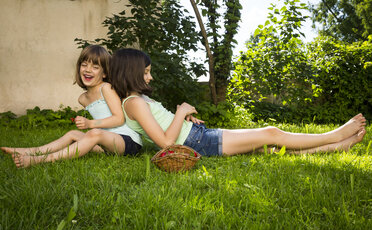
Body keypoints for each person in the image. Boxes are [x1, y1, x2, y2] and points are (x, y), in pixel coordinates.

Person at [109, 48, 366, 157]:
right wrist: (182, 111)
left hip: (196, 136)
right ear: (130, 72)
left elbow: (163, 129)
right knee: (271, 133)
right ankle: (335, 135)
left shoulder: (138, 100)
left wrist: (184, 119)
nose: (150, 76)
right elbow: (165, 143)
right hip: (196, 142)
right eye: (145, 72)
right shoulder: (133, 102)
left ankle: (336, 147)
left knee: (267, 150)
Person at [1, 45, 142, 167]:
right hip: (107, 144)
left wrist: (90, 123)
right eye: (84, 64)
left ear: (104, 73)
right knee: (73, 134)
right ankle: (29, 151)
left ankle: (39, 160)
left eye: (95, 67)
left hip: (128, 142)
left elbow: (119, 119)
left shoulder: (106, 88)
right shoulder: (83, 99)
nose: (88, 70)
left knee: (94, 133)